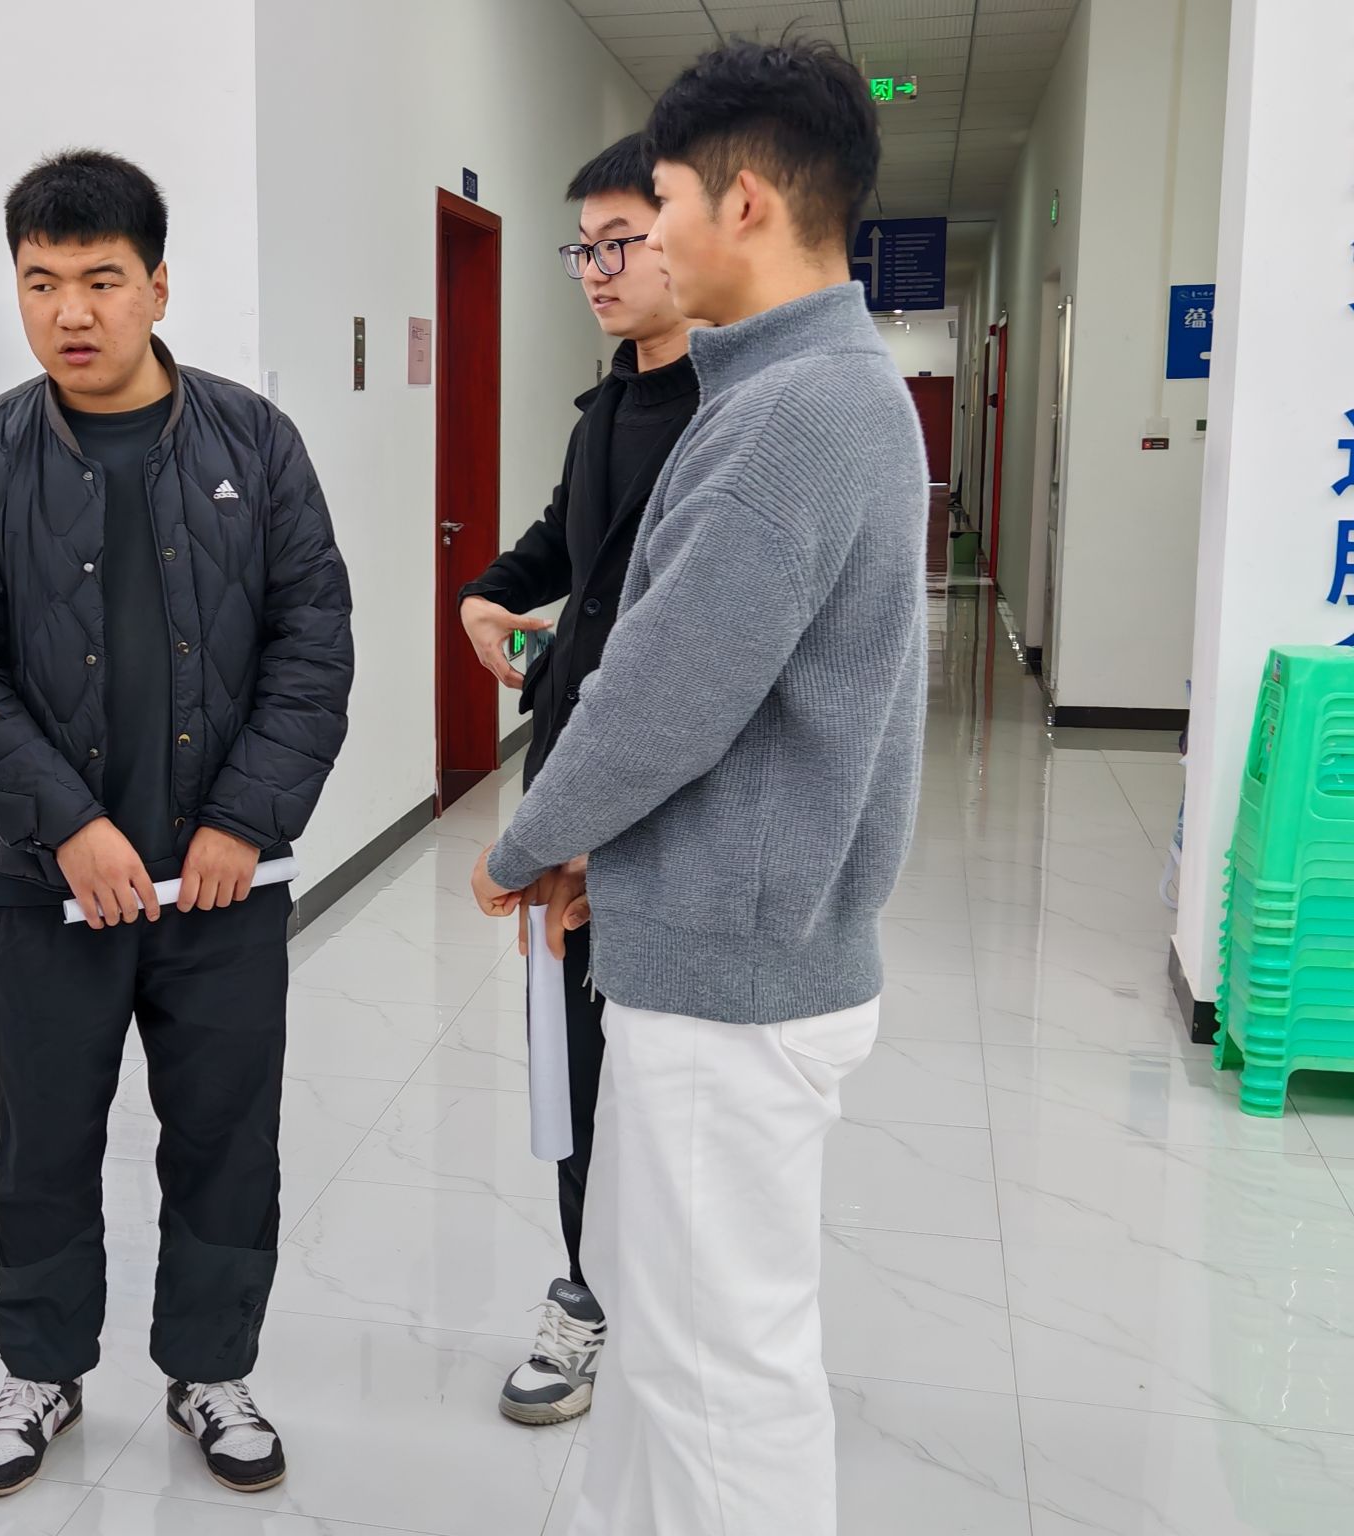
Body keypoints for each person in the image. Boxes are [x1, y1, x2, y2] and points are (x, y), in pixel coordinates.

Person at [471, 40, 927, 1536]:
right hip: (723, 936)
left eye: (657, 206)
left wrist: (528, 841)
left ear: (742, 204)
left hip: (735, 977)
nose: (643, 243)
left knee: (724, 1373)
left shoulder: (790, 415)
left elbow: (663, 695)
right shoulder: (805, 389)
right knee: (672, 1349)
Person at [0, 149, 354, 1500]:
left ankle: (211, 1367)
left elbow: (313, 647)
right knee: (44, 1134)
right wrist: (69, 832)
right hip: (52, 890)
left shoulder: (254, 443)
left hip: (223, 885)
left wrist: (244, 821)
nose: (71, 312)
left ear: (158, 285)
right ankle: (39, 1368)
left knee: (225, 1133)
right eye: (41, 282)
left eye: (101, 280)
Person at [457, 131, 702, 1429]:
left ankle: (673, 1319)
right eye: (584, 249)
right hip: (572, 788)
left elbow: (703, 661)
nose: (599, 270)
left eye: (623, 243)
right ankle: (585, 1296)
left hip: (667, 820)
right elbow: (570, 539)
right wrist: (490, 593)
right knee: (574, 1071)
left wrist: (611, 831)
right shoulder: (612, 402)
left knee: (674, 1095)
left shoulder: (735, 417)